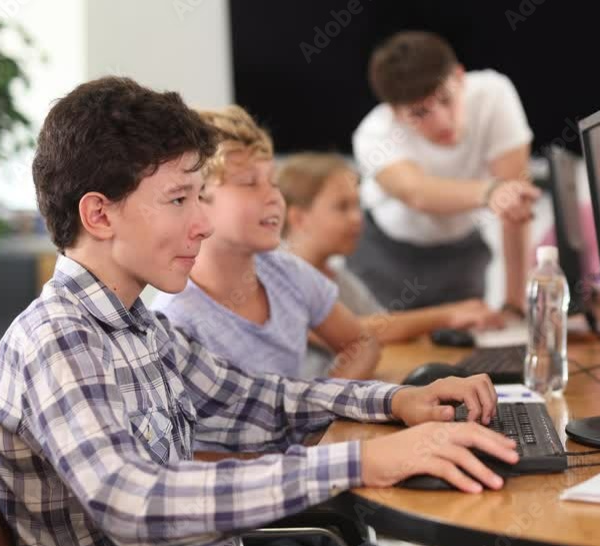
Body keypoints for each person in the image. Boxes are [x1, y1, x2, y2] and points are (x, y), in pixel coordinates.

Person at [0, 77, 517, 546]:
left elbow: (257, 399)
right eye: (179, 199)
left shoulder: (139, 327)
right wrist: (361, 461)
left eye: (200, 197)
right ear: (99, 215)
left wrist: (397, 401)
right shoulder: (57, 340)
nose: (202, 224)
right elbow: (135, 505)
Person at [151, 105, 379, 380]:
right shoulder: (176, 321)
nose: (273, 197)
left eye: (273, 182)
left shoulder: (286, 271)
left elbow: (361, 344)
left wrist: (325, 401)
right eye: (250, 183)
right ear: (195, 197)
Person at [347, 30, 540, 313]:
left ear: (460, 77)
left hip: (462, 252)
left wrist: (515, 303)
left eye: (446, 99)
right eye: (419, 113)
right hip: (386, 257)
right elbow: (417, 193)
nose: (441, 122)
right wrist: (491, 192)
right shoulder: (374, 134)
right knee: (383, 338)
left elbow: (516, 206)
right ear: (395, 112)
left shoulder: (494, 95)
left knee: (470, 335)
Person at [278, 151, 505, 348]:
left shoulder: (340, 279)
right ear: (299, 218)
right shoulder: (280, 279)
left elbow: (381, 324)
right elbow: (349, 333)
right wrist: (447, 316)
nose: (357, 218)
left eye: (357, 205)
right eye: (342, 207)